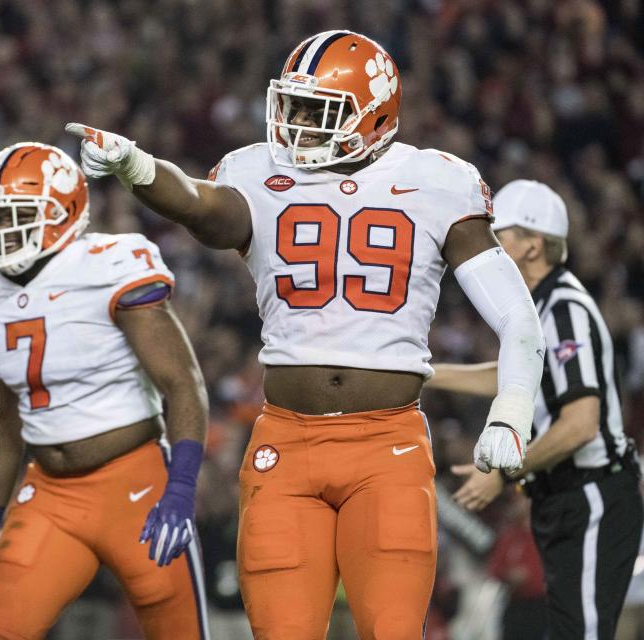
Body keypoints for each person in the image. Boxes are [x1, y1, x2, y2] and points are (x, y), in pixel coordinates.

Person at [65, 30, 546, 639]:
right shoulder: (257, 172)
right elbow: (200, 207)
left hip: (387, 445)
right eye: (291, 106)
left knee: (392, 632)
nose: (295, 125)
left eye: (317, 111)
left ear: (372, 114)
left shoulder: (435, 181)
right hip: (284, 442)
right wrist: (139, 166)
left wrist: (512, 408)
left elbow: (516, 315)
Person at [0, 142, 210, 640]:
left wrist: (181, 487)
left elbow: (183, 382)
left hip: (135, 481)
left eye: (16, 215)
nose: (1, 231)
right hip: (50, 489)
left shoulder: (107, 263)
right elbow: (6, 426)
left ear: (64, 212)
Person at [427, 179, 644, 640]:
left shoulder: (565, 308)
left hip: (591, 493)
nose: (489, 248)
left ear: (533, 245)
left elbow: (581, 423)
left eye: (499, 236)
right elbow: (513, 374)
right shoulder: (542, 306)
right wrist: (425, 370)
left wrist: (505, 473)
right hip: (570, 494)